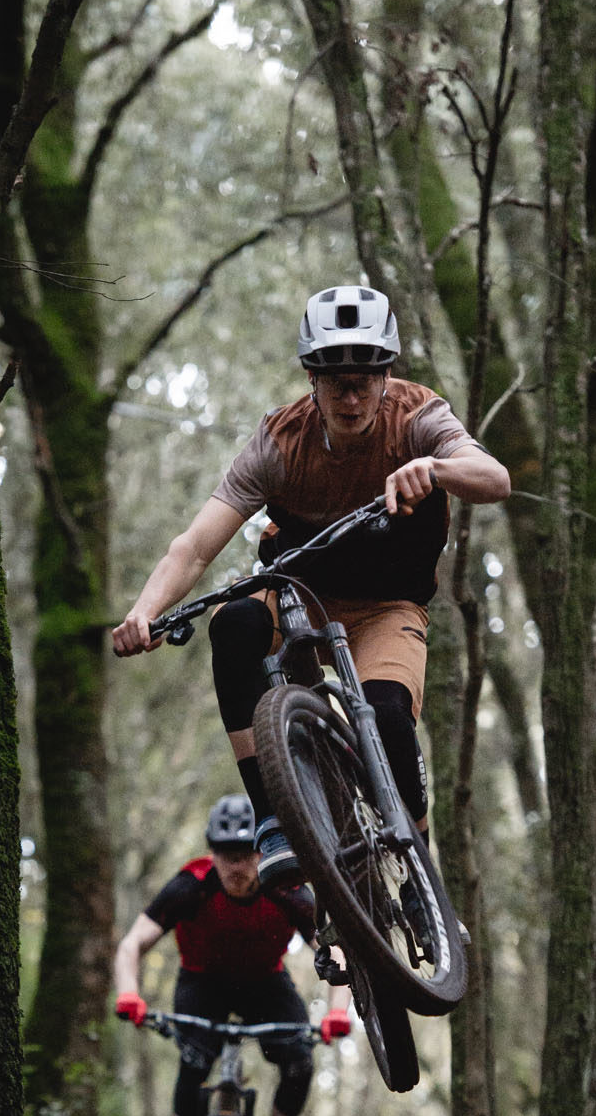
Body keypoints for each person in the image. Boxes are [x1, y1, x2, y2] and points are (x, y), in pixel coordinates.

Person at [112, 285, 511, 886]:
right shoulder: (279, 443)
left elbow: (495, 479)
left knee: (387, 714)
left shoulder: (418, 416)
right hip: (297, 596)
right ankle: (273, 818)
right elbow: (194, 547)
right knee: (235, 623)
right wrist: (145, 612)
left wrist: (435, 468)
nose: (350, 398)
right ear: (311, 379)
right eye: (334, 383)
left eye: (364, 382)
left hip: (387, 607)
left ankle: (420, 870)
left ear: (386, 376)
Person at [113, 795, 350, 1116]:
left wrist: (337, 1012)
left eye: (244, 856)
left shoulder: (286, 888)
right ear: (213, 853)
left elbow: (334, 951)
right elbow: (132, 944)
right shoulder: (192, 884)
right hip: (202, 983)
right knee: (192, 1064)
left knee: (300, 1064)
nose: (235, 867)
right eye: (226, 856)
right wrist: (128, 994)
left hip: (265, 983)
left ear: (261, 854)